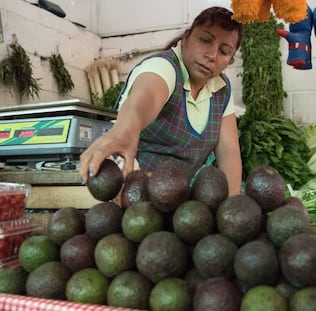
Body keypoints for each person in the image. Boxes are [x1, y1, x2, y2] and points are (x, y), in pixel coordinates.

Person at [79, 6, 243, 195]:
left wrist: (232, 205)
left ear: (230, 60)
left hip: (183, 208)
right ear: (187, 37)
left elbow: (229, 150)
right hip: (135, 200)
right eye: (205, 40)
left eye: (224, 51)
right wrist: (125, 130)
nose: (212, 55)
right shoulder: (164, 67)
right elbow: (146, 95)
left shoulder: (221, 89)